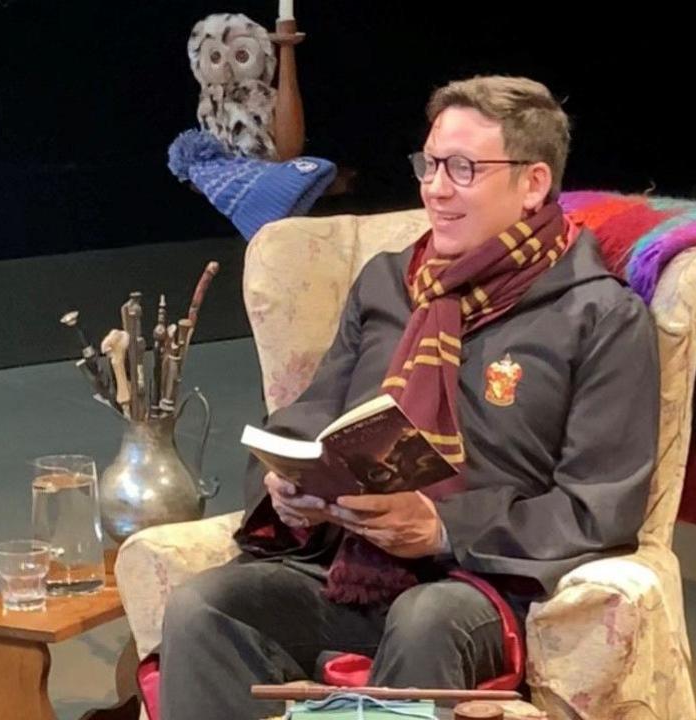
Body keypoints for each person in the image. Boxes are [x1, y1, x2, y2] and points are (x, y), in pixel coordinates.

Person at [157, 75, 661, 720]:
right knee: (208, 607)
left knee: (428, 616)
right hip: (350, 564)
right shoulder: (389, 283)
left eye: (463, 168)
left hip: (484, 582)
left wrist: (442, 528)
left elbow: (600, 506)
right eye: (430, 164)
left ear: (533, 184)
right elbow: (312, 412)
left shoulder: (598, 314)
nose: (436, 188)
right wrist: (286, 483)